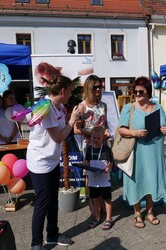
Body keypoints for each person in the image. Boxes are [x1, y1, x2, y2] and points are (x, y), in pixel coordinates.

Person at [26, 75, 82, 250]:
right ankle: (36, 244)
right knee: (43, 202)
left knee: (53, 200)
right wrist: (72, 121)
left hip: (51, 161)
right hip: (40, 162)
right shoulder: (47, 108)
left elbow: (60, 128)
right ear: (63, 91)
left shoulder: (58, 107)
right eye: (70, 91)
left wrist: (71, 117)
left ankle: (52, 235)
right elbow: (58, 137)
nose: (71, 95)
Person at [117, 76, 166, 229]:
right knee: (136, 180)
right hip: (137, 152)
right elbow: (121, 129)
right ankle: (136, 213)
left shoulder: (158, 107)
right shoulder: (129, 108)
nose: (138, 94)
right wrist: (135, 133)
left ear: (148, 93)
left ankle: (150, 212)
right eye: (136, 92)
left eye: (141, 92)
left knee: (151, 180)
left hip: (154, 153)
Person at [74, 74, 110, 216]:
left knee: (102, 175)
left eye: (100, 87)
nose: (98, 90)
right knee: (90, 176)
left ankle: (101, 207)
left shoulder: (103, 105)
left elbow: (104, 124)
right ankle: (93, 208)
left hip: (103, 145)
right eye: (95, 87)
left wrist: (106, 132)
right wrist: (93, 134)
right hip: (89, 146)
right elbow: (76, 129)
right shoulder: (82, 107)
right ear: (88, 88)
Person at [85, 125, 114, 230]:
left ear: (103, 138)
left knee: (107, 199)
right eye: (94, 137)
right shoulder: (89, 149)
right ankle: (97, 217)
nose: (96, 140)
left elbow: (111, 162)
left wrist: (108, 168)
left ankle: (108, 218)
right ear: (90, 137)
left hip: (104, 178)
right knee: (96, 199)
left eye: (98, 138)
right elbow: (87, 161)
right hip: (93, 178)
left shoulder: (106, 149)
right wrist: (84, 165)